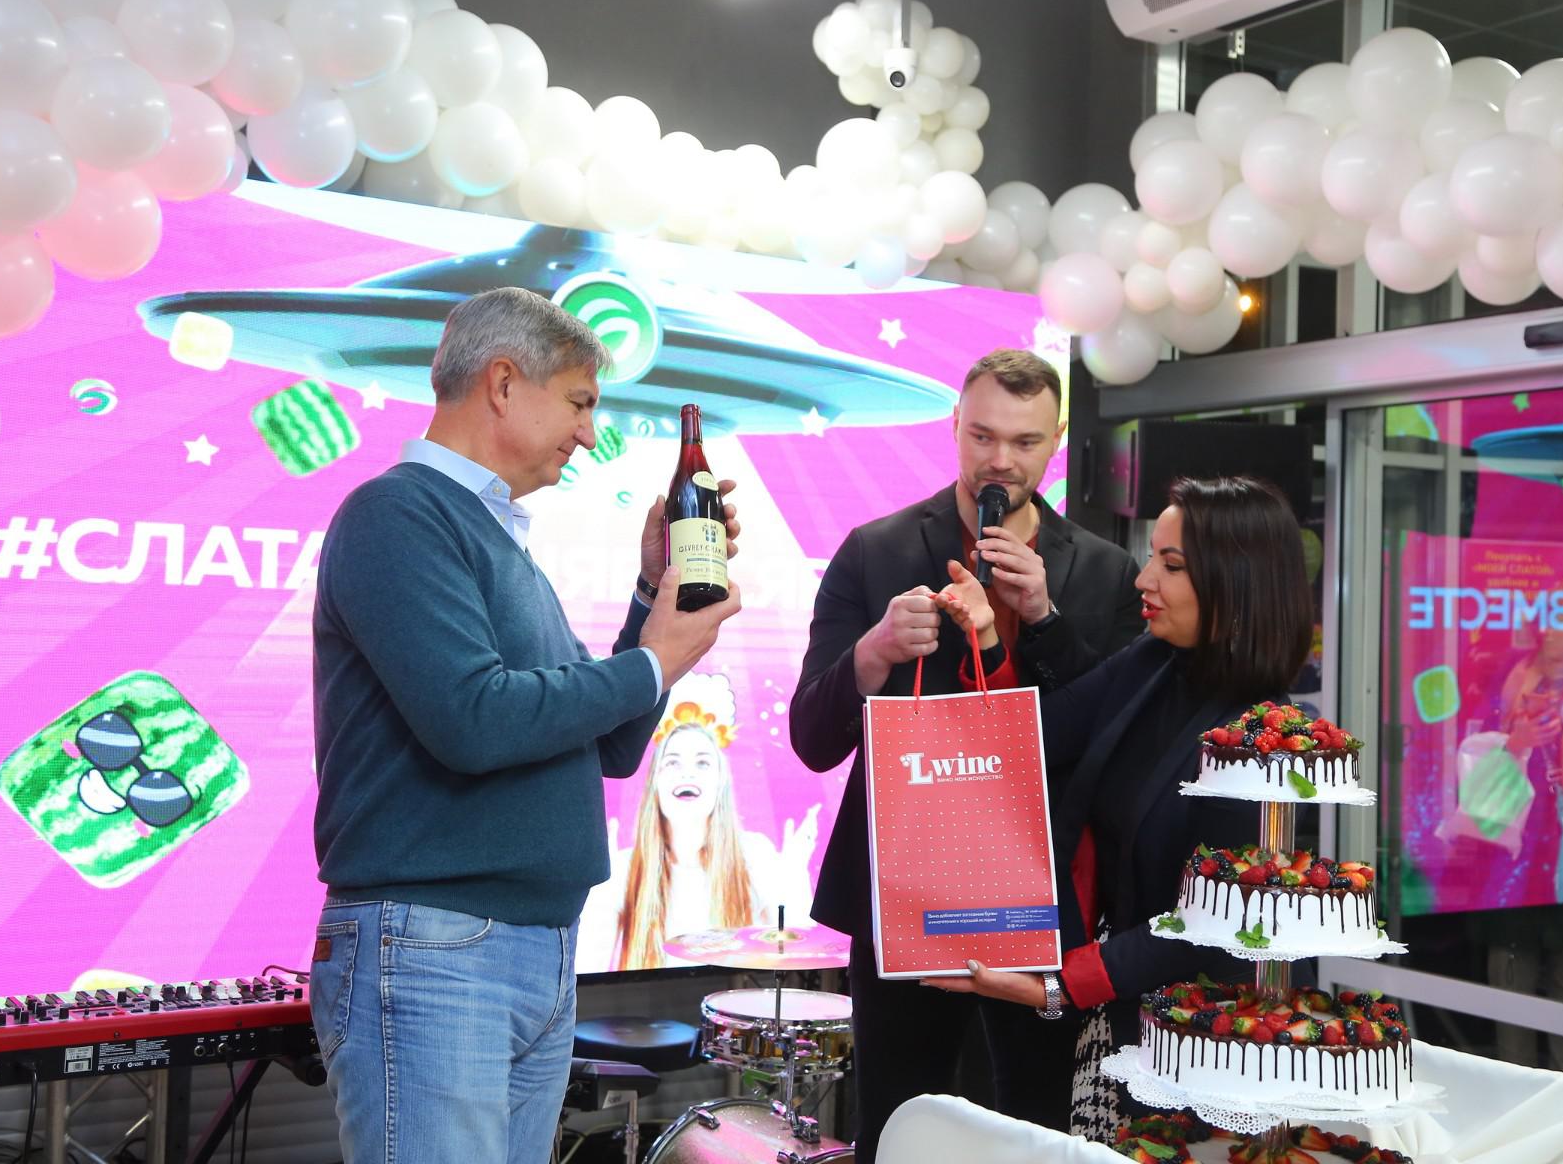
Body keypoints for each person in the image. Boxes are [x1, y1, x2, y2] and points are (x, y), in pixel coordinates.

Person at [307, 287, 742, 1164]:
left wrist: (651, 596)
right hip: (435, 948)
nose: (588, 434)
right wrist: (654, 661)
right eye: (580, 403)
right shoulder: (398, 514)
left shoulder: (495, 541)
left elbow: (611, 743)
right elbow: (474, 721)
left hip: (526, 951)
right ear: (504, 384)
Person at [788, 348, 1142, 1156]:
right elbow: (812, 737)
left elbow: (1111, 744)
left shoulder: (1106, 571)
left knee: (1035, 1133)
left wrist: (1043, 619)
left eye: (1024, 442)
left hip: (1041, 900)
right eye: (982, 436)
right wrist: (873, 654)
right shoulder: (874, 550)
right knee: (898, 1125)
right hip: (905, 893)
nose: (1000, 461)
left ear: (1057, 441)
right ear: (953, 426)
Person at [923, 475, 1312, 1137]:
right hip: (1113, 1008)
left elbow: (1212, 921)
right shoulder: (1153, 662)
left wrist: (1060, 984)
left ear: (1237, 584)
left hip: (1202, 1038)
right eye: (1152, 557)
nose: (1143, 580)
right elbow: (1033, 740)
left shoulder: (1264, 737)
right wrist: (986, 635)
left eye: (1171, 565)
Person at [575, 671, 821, 971]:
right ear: (655, 784)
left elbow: (798, 961)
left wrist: (793, 879)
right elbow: (587, 966)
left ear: (721, 782)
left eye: (702, 762)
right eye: (672, 762)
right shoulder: (624, 869)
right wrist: (598, 891)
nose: (687, 772)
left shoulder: (756, 855)